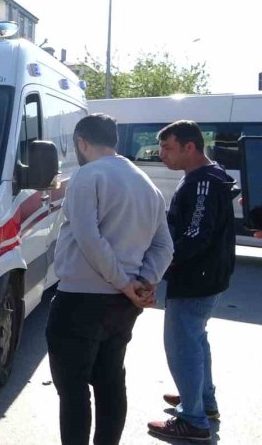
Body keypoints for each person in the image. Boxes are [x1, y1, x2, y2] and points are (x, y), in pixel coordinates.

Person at [47, 114, 174, 445]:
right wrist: (141, 283)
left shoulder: (87, 176)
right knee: (110, 383)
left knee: (73, 391)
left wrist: (125, 283)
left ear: (82, 142)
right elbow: (164, 246)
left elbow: (89, 240)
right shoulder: (146, 182)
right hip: (123, 304)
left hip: (81, 300)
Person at [146, 120, 237, 442]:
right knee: (196, 340)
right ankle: (202, 402)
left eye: (168, 148)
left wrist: (159, 268)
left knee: (182, 346)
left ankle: (193, 420)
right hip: (207, 275)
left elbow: (196, 234)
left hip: (195, 277)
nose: (162, 155)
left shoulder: (203, 182)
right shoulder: (210, 176)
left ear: (190, 147)